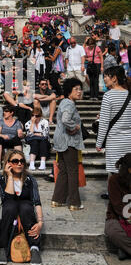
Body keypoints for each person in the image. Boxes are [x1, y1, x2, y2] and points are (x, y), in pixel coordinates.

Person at [0, 149, 43, 265]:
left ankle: (34, 247)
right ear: (8, 163)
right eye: (15, 161)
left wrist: (40, 222)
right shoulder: (1, 180)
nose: (19, 163)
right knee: (10, 205)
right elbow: (7, 199)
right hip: (8, 214)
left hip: (26, 215)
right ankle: (3, 247)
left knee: (25, 205)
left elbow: (36, 201)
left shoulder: (30, 179)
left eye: (22, 161)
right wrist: (10, 176)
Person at [96, 66, 131, 198]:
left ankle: (115, 197)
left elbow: (104, 123)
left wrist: (99, 143)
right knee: (127, 170)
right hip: (128, 141)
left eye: (106, 76)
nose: (104, 78)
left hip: (115, 141)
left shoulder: (108, 96)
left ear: (114, 78)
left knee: (115, 171)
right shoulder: (129, 94)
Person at [51, 78, 85, 210]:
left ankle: (58, 199)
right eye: (76, 89)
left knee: (64, 171)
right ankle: (74, 202)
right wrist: (74, 127)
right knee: (72, 171)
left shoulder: (64, 102)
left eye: (80, 89)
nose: (79, 91)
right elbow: (66, 119)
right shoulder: (69, 104)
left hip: (61, 141)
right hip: (68, 142)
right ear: (69, 91)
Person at [105, 153, 131, 261]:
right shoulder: (114, 180)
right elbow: (117, 205)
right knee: (113, 231)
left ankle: (125, 249)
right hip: (117, 217)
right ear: (129, 170)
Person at [0, 105, 24, 170]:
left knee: (17, 140)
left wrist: (20, 134)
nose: (4, 113)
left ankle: (18, 161)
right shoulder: (0, 121)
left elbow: (20, 133)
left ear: (11, 113)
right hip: (3, 140)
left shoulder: (17, 122)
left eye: (6, 111)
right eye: (4, 111)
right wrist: (3, 136)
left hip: (13, 140)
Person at [25, 107, 50, 171]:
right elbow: (30, 134)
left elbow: (45, 134)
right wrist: (33, 123)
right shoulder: (28, 123)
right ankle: (32, 163)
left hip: (43, 141)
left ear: (40, 116)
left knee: (43, 141)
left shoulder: (45, 122)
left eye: (37, 115)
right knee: (34, 141)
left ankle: (42, 163)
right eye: (33, 115)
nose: (35, 117)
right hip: (33, 142)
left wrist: (35, 133)